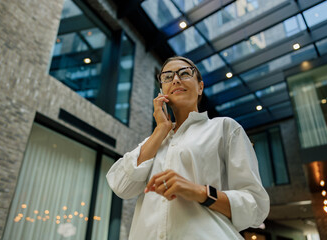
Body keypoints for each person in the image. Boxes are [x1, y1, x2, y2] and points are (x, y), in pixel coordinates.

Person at [106, 56, 270, 239]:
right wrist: (161, 129)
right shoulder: (153, 141)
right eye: (167, 77)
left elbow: (255, 206)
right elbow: (121, 186)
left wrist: (199, 191)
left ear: (200, 87)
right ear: (161, 91)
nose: (176, 79)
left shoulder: (224, 128)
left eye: (184, 73)